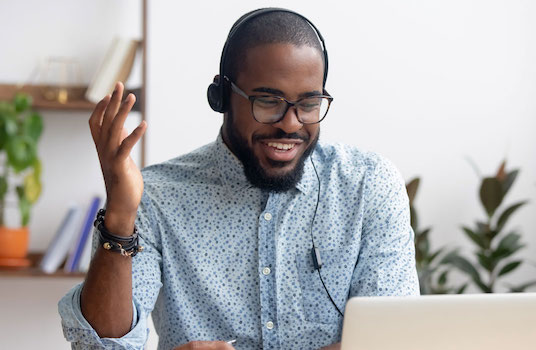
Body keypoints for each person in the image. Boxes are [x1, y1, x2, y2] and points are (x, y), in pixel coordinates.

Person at [59, 8, 419, 350]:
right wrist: (121, 217)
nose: (291, 124)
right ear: (222, 97)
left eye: (309, 104)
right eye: (267, 102)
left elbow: (393, 341)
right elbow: (99, 346)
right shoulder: (155, 198)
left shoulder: (368, 185)